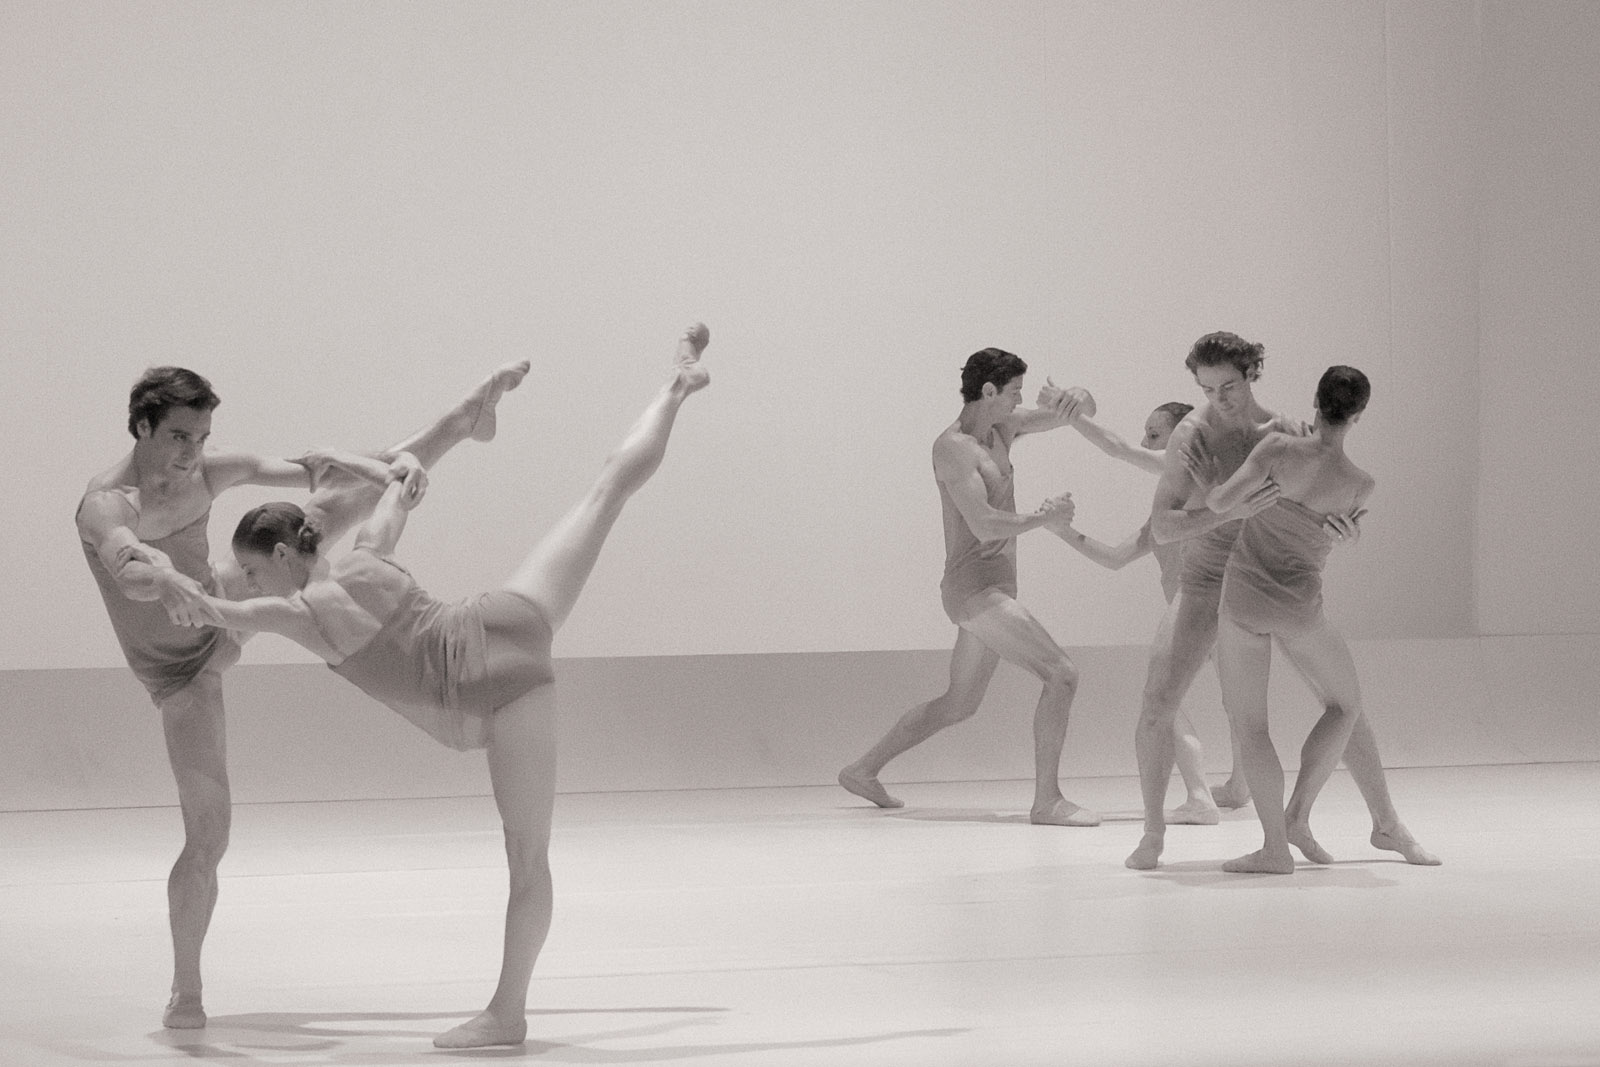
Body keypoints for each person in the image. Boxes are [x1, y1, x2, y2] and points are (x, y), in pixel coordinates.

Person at [182, 325, 712, 1049]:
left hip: (496, 694)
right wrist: (409, 462)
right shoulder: (369, 551)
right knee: (604, 492)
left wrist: (174, 588)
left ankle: (508, 1013)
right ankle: (675, 387)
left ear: (281, 557)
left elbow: (230, 612)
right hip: (507, 615)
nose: (249, 581)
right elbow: (398, 487)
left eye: (253, 568)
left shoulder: (305, 614)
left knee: (527, 859)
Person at [75, 360, 528, 1028]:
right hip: (180, 674)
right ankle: (187, 992)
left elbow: (316, 468)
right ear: (141, 427)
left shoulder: (208, 469)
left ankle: (455, 425)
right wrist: (167, 580)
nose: (192, 451)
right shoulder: (107, 503)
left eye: (201, 436)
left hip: (221, 601)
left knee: (320, 516)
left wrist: (388, 470)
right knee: (209, 832)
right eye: (178, 437)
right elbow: (128, 562)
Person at [838, 348, 1100, 826]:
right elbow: (982, 524)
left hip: (993, 591)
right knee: (1062, 674)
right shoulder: (953, 447)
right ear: (989, 392)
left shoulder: (1005, 427)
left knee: (959, 704)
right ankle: (1047, 801)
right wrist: (1043, 520)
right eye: (1014, 393)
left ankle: (862, 769)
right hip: (974, 593)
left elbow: (1075, 415)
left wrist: (1078, 397)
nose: (1020, 401)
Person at [1202, 365, 1438, 873]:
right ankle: (1302, 817)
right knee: (1346, 705)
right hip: (1298, 610)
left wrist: (1247, 505)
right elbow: (1330, 533)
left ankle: (1276, 847)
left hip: (1243, 599)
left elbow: (1218, 502)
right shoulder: (1360, 484)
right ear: (1358, 415)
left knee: (1251, 726)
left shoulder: (1276, 450)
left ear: (1314, 400)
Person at [1122, 332, 1304, 870]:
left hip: (1264, 581)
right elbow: (1163, 524)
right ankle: (1153, 833)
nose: (1218, 398)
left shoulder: (1283, 432)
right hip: (1203, 581)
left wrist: (1344, 526)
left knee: (1334, 704)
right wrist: (1228, 511)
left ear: (1252, 374)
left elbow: (1319, 497)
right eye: (1206, 387)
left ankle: (1318, 832)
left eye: (1228, 385)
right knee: (1157, 703)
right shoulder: (1192, 432)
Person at [1046, 400, 1221, 824]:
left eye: (1155, 434)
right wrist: (1063, 531)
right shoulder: (1171, 509)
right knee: (1219, 700)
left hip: (1203, 607)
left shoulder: (1199, 485)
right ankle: (1229, 789)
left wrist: (1073, 417)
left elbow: (1119, 448)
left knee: (1165, 697)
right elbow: (1114, 557)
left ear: (1181, 439)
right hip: (1211, 609)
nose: (1147, 443)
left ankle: (1200, 798)